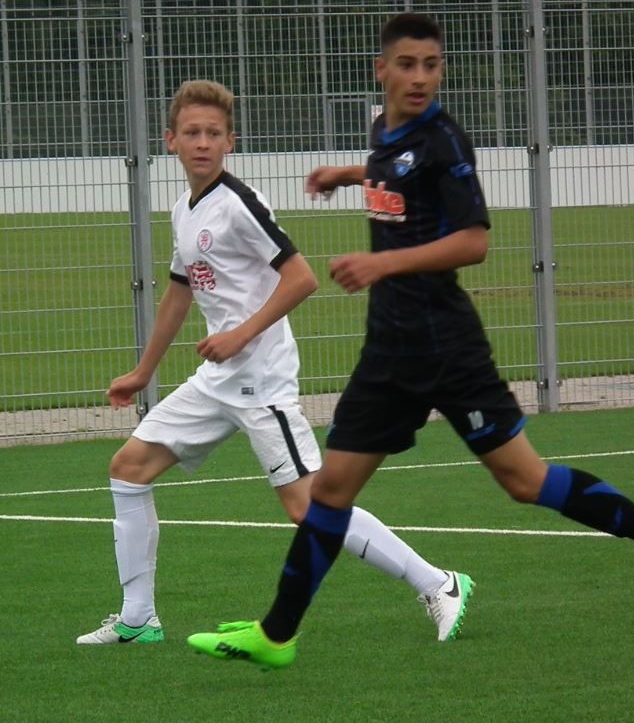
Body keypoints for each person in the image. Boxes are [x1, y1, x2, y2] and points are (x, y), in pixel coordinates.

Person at [186, 14, 634, 670]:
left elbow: (474, 241)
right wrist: (347, 175)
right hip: (389, 351)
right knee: (330, 492)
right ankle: (277, 634)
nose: (420, 78)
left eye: (431, 65)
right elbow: (393, 170)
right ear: (382, 70)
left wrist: (381, 263)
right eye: (407, 64)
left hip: (448, 349)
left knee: (525, 480)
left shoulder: (444, 139)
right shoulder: (384, 130)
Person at [75, 79, 473, 647]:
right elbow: (179, 294)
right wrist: (143, 372)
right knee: (129, 468)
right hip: (219, 378)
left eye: (214, 133)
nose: (203, 142)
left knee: (308, 507)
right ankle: (138, 618)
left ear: (230, 142)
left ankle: (439, 583)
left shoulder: (239, 202)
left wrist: (240, 334)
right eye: (192, 132)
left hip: (260, 379)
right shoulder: (184, 210)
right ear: (171, 140)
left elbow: (301, 278)